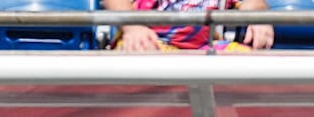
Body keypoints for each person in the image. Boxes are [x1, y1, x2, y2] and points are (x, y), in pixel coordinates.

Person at [103, 0, 274, 52]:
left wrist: (257, 17)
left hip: (204, 47)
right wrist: (133, 27)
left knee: (253, 62)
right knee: (141, 57)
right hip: (152, 40)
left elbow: (255, 3)